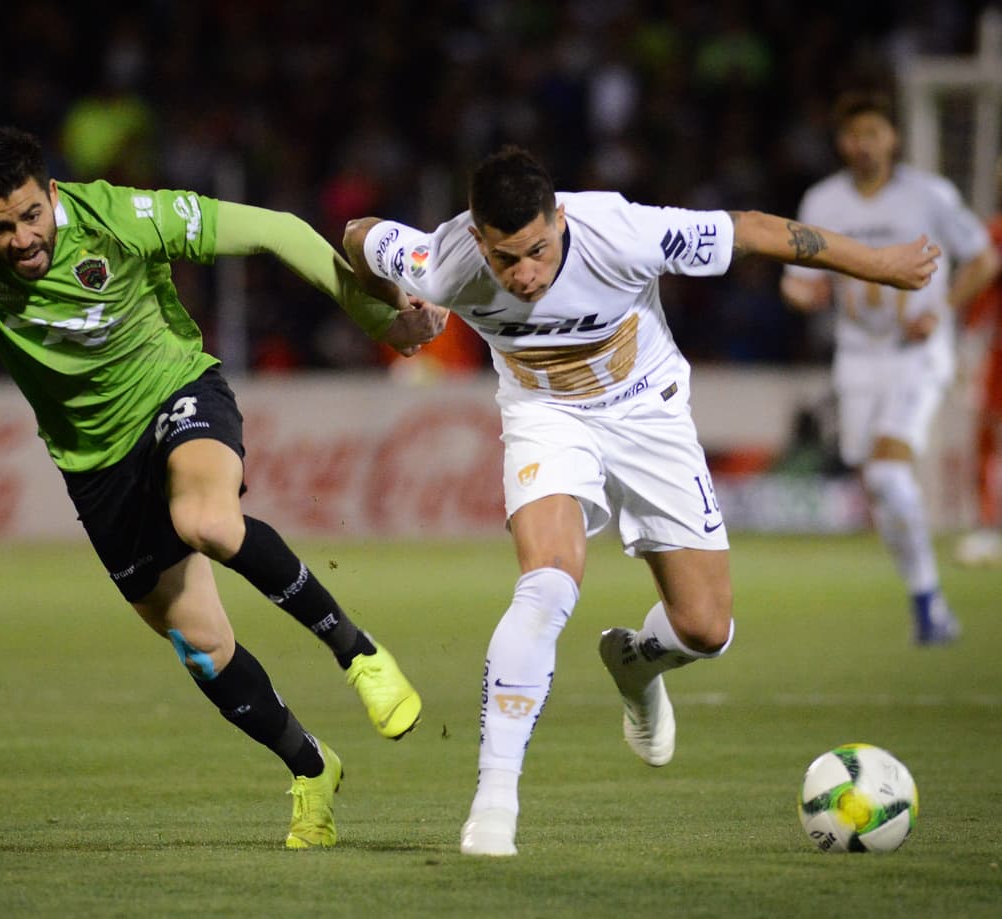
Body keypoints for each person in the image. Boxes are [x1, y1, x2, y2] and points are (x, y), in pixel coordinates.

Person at [342, 144, 941, 857]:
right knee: (546, 585)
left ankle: (637, 663)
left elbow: (753, 230)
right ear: (478, 239)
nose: (525, 274)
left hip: (649, 413)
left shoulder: (621, 233)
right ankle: (493, 805)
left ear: (560, 220)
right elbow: (356, 236)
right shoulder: (445, 263)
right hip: (545, 418)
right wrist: (391, 313)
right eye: (505, 259)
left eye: (537, 250)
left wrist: (881, 265)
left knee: (707, 628)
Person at [0, 126, 447, 849]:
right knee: (202, 647)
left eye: (30, 215)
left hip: (176, 393)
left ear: (51, 193)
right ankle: (312, 769)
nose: (22, 239)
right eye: (1, 227)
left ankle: (358, 653)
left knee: (205, 520)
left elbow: (277, 230)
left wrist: (379, 320)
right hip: (95, 466)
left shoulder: (119, 216)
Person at [780, 92, 1000, 638]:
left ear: (893, 138)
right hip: (857, 360)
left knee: (886, 471)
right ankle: (930, 602)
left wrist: (942, 311)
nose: (864, 144)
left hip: (917, 355)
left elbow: (984, 258)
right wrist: (802, 294)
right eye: (855, 135)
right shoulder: (822, 201)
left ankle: (928, 606)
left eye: (874, 133)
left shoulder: (929, 195)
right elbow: (800, 280)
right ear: (841, 143)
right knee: (879, 484)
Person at [955, 155, 1002, 567]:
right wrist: (968, 341)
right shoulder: (995, 232)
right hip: (998, 355)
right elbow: (981, 292)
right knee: (988, 437)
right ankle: (989, 528)